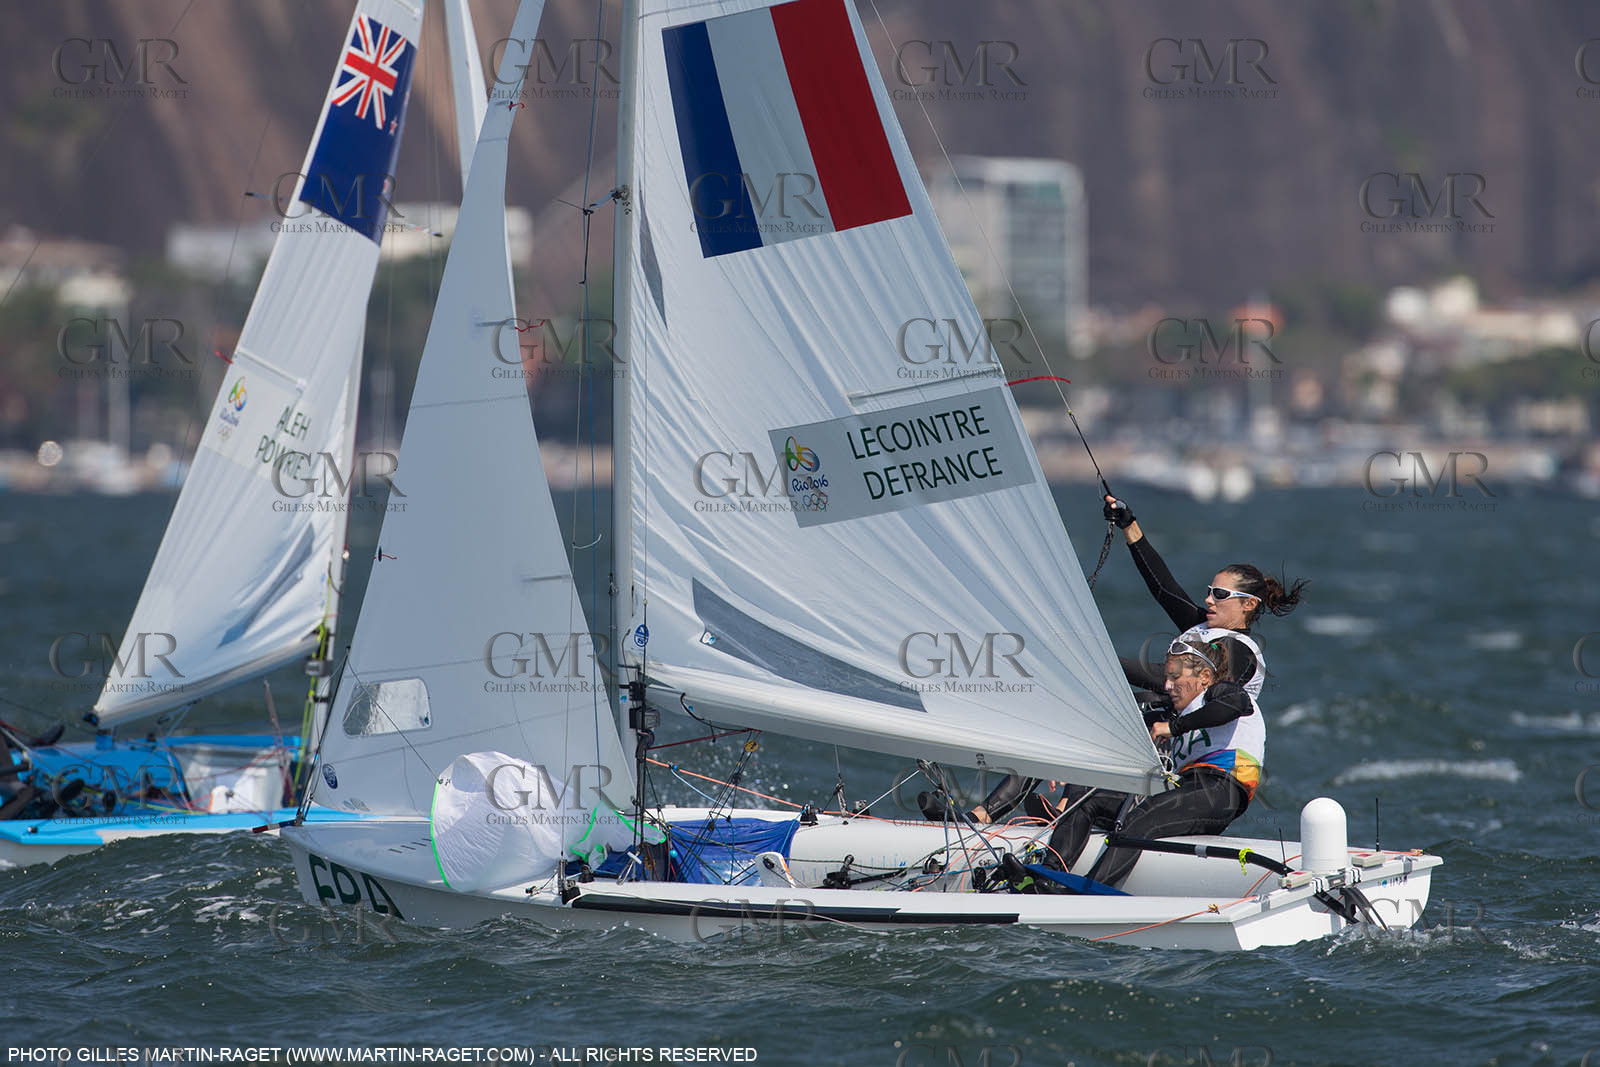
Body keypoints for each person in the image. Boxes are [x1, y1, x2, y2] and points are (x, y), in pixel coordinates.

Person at [1016, 635, 1263, 891]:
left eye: (1175, 678)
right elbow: (1117, 722)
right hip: (1185, 789)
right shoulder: (1177, 709)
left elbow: (1235, 706)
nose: (1167, 685)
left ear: (1203, 677)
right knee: (1087, 799)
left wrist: (1175, 727)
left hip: (1222, 790)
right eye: (1167, 678)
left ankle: (1089, 892)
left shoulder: (1222, 692)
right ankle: (1047, 874)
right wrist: (1068, 761)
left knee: (1141, 819)